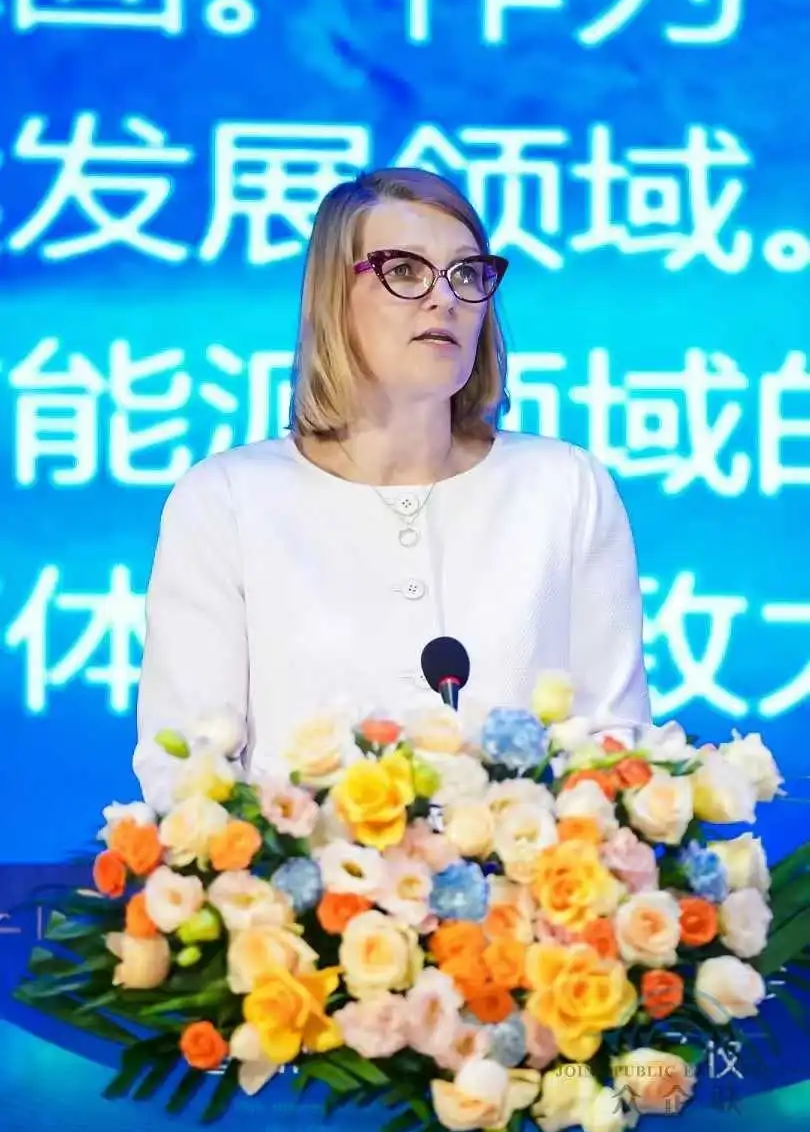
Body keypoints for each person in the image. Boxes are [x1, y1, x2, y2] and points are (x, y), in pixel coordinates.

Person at [133, 167, 651, 812]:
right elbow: (187, 767)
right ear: (333, 297)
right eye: (405, 271)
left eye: (467, 274)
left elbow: (615, 744)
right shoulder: (229, 499)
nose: (445, 299)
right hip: (305, 875)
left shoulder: (563, 486)